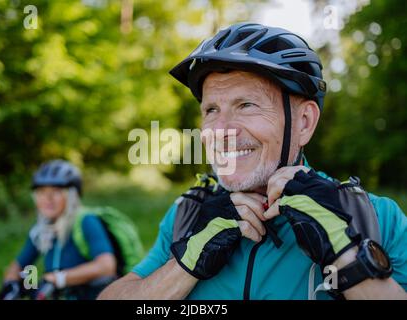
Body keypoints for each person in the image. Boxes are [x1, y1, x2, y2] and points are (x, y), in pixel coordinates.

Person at [98, 22, 407, 300]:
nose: (220, 131)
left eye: (246, 105)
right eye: (211, 110)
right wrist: (185, 264)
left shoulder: (374, 217)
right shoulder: (188, 214)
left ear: (304, 123)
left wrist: (345, 251)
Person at [0, 160, 118, 300]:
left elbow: (106, 266)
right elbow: (17, 266)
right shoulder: (42, 229)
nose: (48, 198)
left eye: (56, 191)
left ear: (72, 195)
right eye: (41, 192)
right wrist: (11, 283)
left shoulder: (86, 221)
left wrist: (57, 279)